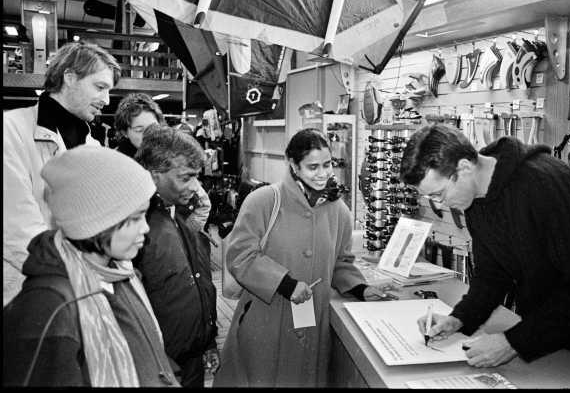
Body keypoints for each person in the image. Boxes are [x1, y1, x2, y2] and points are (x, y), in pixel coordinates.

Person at [400, 124, 570, 370]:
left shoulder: (546, 185)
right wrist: (459, 319)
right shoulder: (475, 200)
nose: (441, 203)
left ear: (464, 167)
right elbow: (492, 273)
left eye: (438, 194)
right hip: (548, 336)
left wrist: (513, 342)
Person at [213, 128, 392, 388]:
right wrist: (286, 285)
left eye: (327, 165)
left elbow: (341, 261)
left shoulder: (339, 210)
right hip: (266, 319)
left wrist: (362, 289)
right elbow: (241, 256)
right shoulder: (264, 201)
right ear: (293, 166)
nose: (322, 174)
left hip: (312, 326)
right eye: (313, 167)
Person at [2, 146, 178, 387]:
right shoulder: (48, 307)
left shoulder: (119, 274)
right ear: (97, 221)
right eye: (135, 217)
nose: (146, 228)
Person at [3, 41, 121, 306]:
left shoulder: (94, 147)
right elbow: (16, 230)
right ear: (69, 77)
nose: (106, 100)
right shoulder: (9, 132)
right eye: (100, 87)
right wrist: (80, 278)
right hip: (26, 296)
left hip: (81, 292)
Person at [134, 124, 219, 387]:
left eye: (197, 177)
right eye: (186, 177)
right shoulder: (133, 228)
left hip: (191, 359)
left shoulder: (181, 214)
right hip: (157, 367)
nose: (195, 186)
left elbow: (199, 282)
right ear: (154, 174)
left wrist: (209, 341)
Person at [113, 93, 211, 233]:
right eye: (139, 130)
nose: (148, 135)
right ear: (124, 132)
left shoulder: (172, 154)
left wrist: (184, 235)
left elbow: (203, 203)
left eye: (153, 127)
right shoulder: (115, 165)